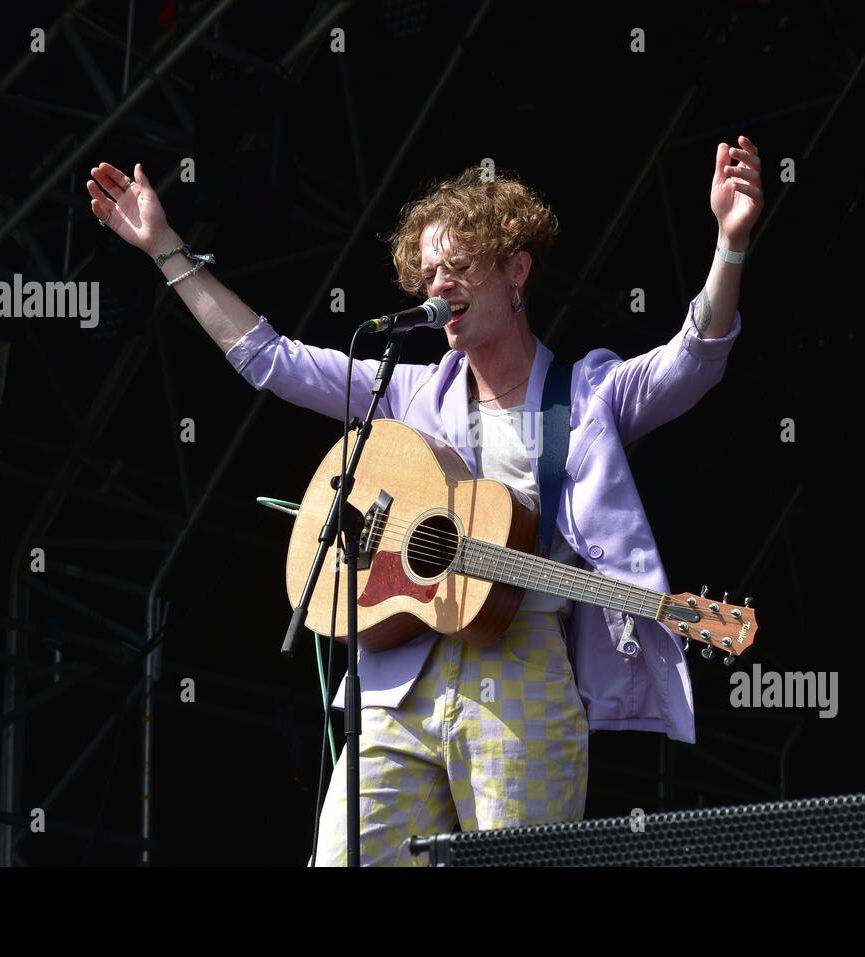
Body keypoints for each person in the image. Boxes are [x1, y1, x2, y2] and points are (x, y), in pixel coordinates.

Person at [86, 138, 763, 865]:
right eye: (429, 272)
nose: (439, 285)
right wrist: (166, 249)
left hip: (519, 672)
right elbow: (271, 359)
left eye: (460, 266)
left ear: (516, 272)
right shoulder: (407, 391)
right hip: (397, 680)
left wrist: (729, 244)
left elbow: (694, 358)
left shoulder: (588, 394)